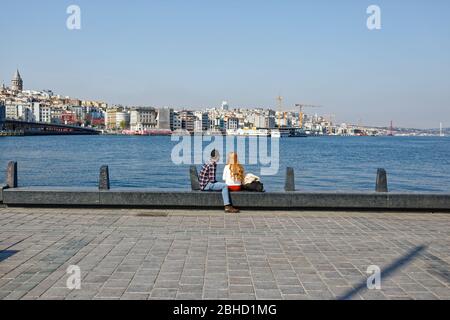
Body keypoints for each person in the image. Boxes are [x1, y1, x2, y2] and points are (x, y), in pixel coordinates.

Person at [199, 149, 240, 213]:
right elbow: (212, 180)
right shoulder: (212, 164)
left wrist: (218, 183)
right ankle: (227, 206)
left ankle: (227, 206)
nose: (219, 158)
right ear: (216, 157)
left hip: (203, 184)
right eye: (219, 156)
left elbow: (211, 179)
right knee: (224, 186)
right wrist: (219, 184)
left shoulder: (208, 161)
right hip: (206, 185)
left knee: (221, 185)